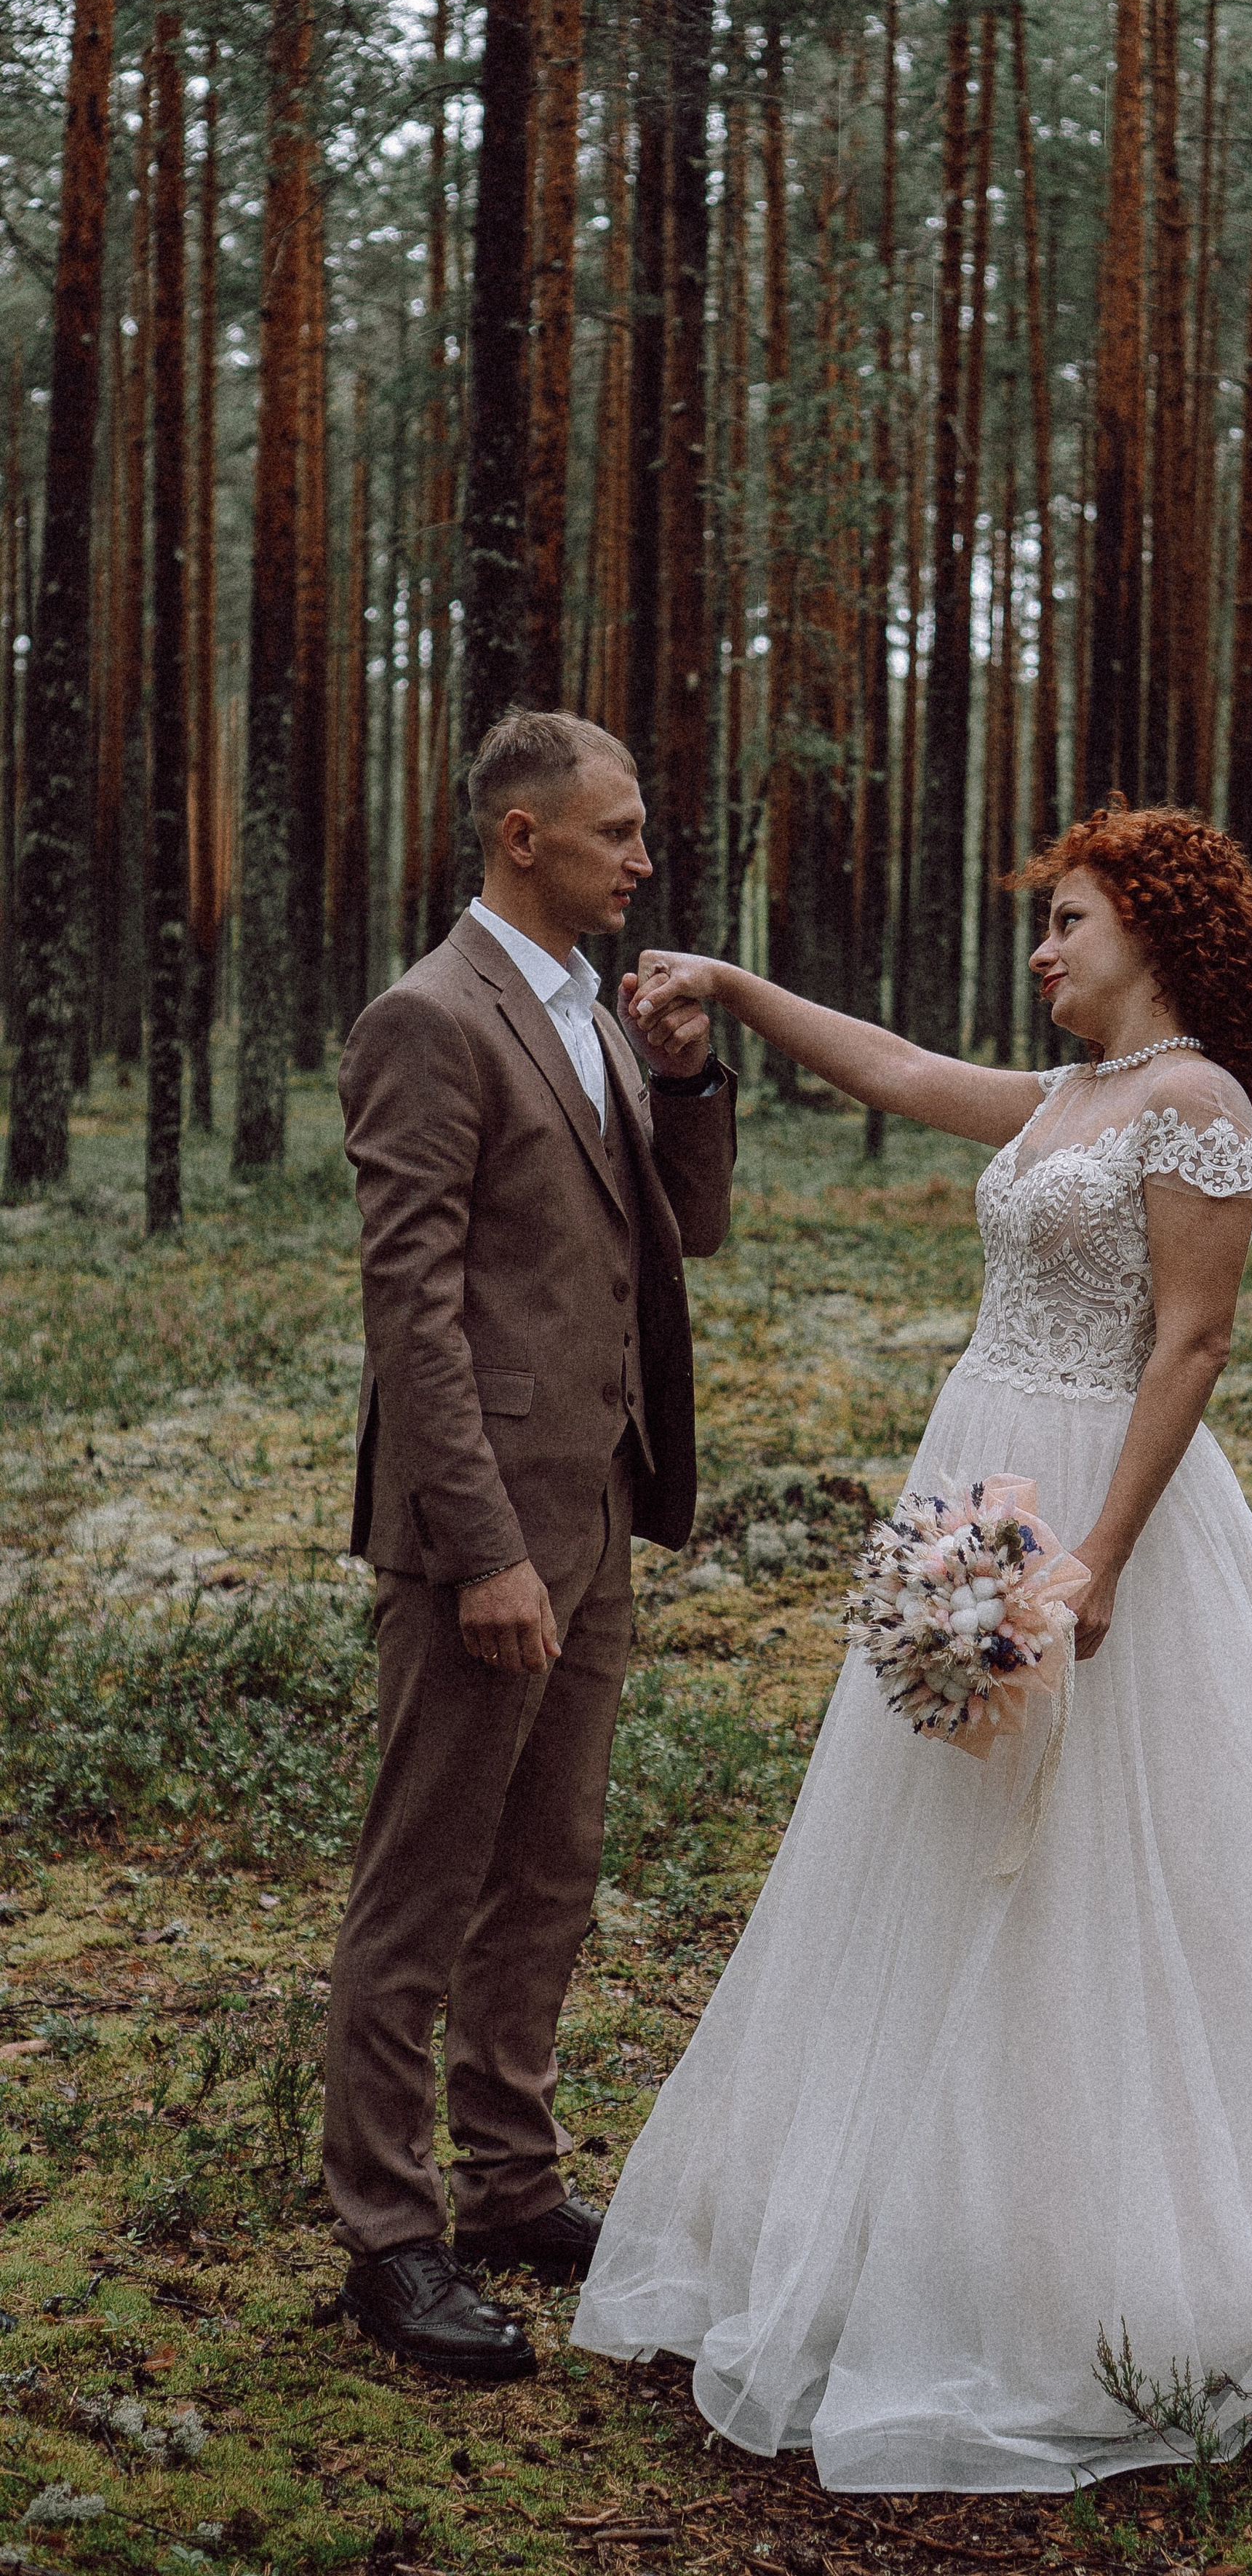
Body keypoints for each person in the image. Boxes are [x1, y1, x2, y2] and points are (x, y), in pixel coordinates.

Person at [571, 802, 1252, 2491]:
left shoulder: (1195, 1106)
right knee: (936, 1821)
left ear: (1150, 927)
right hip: (975, 1466)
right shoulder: (1066, 1099)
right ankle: (925, 2178)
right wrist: (741, 993)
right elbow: (904, 1073)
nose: (1043, 951)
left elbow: (1192, 1347)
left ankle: (1133, 2196)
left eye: (1068, 921)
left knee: (1113, 1837)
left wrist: (1100, 1556)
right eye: (1040, 924)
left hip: (1099, 1496)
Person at [324, 709, 736, 2384]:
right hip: (479, 1535)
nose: (642, 860)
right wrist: (481, 1549)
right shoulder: (429, 1020)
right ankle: (386, 2238)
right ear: (522, 838)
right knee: (419, 1883)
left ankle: (507, 2183)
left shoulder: (592, 1011)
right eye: (616, 832)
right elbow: (409, 1308)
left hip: (598, 1509)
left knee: (551, 1876)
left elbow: (681, 1232)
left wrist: (691, 1075)